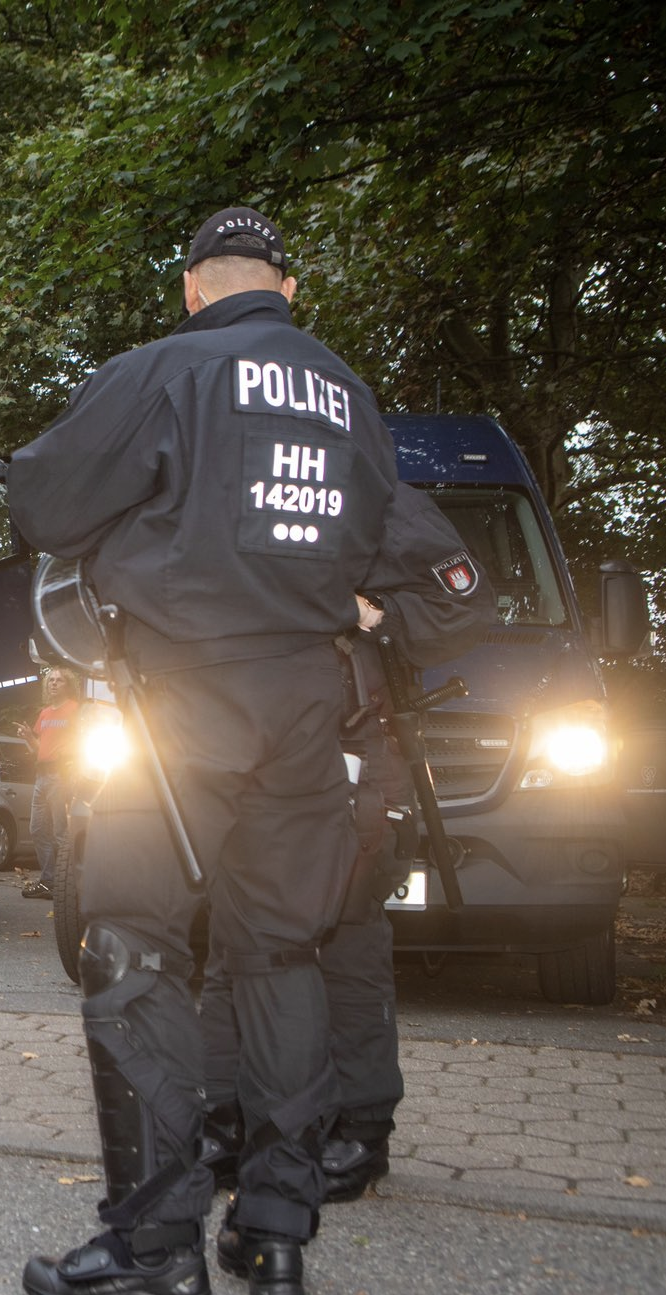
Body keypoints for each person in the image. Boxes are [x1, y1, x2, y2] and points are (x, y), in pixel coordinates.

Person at [7, 207, 401, 1295]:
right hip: (310, 704)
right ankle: (273, 1233)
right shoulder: (349, 397)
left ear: (191, 289)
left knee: (129, 940)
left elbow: (40, 502)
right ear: (290, 285)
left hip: (183, 702)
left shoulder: (164, 370)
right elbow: (379, 546)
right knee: (280, 950)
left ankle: (153, 1242)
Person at [201, 481, 496, 1208]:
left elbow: (464, 606)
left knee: (349, 937)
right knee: (233, 937)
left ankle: (359, 1129)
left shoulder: (381, 500)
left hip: (354, 753)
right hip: (246, 743)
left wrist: (374, 621)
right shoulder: (235, 483)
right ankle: (228, 1121)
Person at [15, 668, 80, 898]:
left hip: (61, 776)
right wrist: (28, 737)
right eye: (50, 680)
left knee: (62, 832)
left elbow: (84, 739)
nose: (53, 683)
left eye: (59, 680)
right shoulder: (44, 713)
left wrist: (72, 752)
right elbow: (37, 751)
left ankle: (70, 884)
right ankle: (49, 881)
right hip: (41, 776)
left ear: (68, 685)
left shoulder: (75, 709)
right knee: (37, 829)